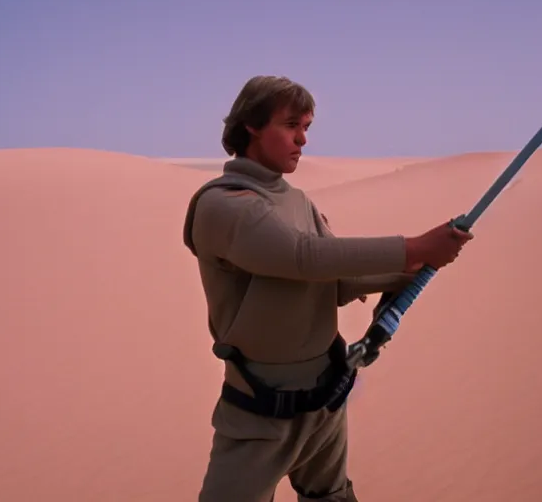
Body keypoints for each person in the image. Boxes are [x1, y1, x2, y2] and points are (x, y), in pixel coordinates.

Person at [182, 75, 473, 501]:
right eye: (290, 125)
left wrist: (411, 270)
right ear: (251, 125)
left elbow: (333, 279)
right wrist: (413, 248)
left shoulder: (298, 202)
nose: (302, 139)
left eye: (306, 128)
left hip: (326, 399)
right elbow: (301, 258)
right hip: (260, 414)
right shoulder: (222, 205)